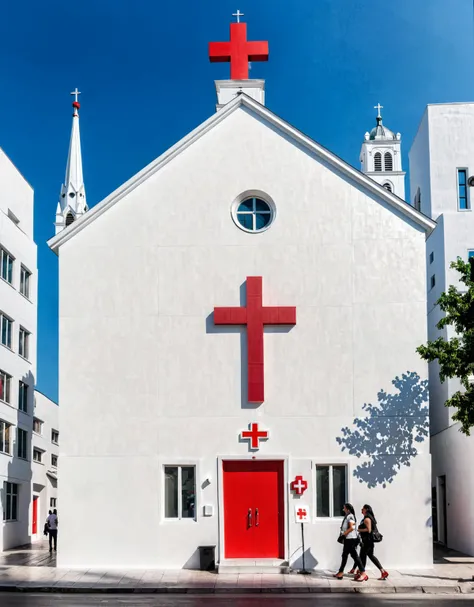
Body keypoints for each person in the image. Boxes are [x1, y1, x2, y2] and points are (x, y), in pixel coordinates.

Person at [333, 503, 367, 582]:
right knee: (352, 555)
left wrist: (344, 534)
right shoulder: (348, 516)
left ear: (347, 509)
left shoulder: (350, 516)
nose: (343, 509)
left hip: (350, 539)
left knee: (346, 555)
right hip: (349, 539)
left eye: (344, 508)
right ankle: (341, 572)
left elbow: (352, 527)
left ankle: (362, 573)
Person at [354, 504, 388, 581]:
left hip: (367, 541)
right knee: (370, 556)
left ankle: (363, 574)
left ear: (366, 509)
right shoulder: (368, 518)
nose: (361, 510)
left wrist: (358, 530)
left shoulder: (367, 518)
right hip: (368, 541)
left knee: (362, 556)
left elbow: (368, 530)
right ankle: (383, 572)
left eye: (362, 509)